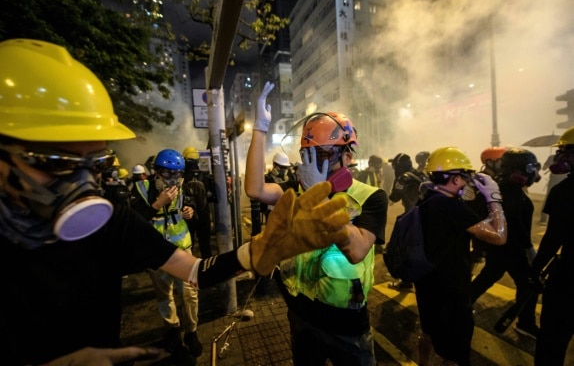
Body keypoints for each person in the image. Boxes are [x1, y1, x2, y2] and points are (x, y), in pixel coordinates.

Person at [0, 38, 351, 366]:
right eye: (56, 163)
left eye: (96, 163)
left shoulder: (111, 224)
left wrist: (255, 252)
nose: (80, 186)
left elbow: (194, 271)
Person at [245, 81, 388, 366]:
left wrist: (318, 195)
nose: (311, 164)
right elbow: (255, 189)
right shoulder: (295, 191)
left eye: (322, 155)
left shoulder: (370, 197)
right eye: (307, 155)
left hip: (346, 323)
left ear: (348, 155)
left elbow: (357, 250)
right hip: (301, 314)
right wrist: (260, 128)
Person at [415, 147, 507, 366]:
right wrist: (494, 199)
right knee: (455, 352)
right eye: (467, 178)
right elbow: (499, 236)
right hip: (450, 289)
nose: (469, 185)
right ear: (455, 178)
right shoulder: (451, 206)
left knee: (429, 331)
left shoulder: (426, 199)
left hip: (426, 283)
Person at [131, 148, 202, 360]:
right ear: (157, 172)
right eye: (167, 174)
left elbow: (194, 216)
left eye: (177, 174)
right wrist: (157, 204)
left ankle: (192, 331)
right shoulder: (141, 189)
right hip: (155, 252)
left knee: (190, 293)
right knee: (165, 295)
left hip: (182, 250)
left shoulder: (183, 189)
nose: (173, 180)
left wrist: (191, 213)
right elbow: (133, 222)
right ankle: (172, 332)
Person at [470, 148, 541, 339]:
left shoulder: (496, 188)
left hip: (496, 247)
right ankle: (526, 324)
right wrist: (533, 256)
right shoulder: (518, 197)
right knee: (528, 285)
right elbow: (521, 232)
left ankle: (460, 304)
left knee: (489, 275)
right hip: (511, 250)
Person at [531, 126, 574, 366]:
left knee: (552, 342)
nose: (560, 158)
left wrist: (535, 270)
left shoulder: (565, 190)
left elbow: (552, 239)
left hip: (569, 278)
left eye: (566, 152)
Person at [182, 145, 212, 258]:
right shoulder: (205, 175)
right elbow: (212, 196)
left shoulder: (181, 176)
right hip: (204, 214)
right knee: (205, 245)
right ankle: (208, 269)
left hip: (187, 215)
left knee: (189, 245)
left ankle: (190, 270)